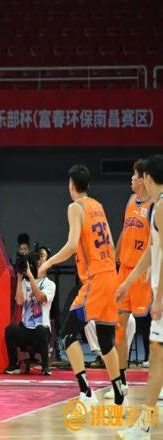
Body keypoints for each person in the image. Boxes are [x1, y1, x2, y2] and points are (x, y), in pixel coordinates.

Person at [39, 164, 125, 418]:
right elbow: (110, 243)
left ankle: (86, 393)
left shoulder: (75, 207)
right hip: (111, 277)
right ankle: (119, 394)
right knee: (106, 340)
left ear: (71, 185)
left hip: (95, 281)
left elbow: (71, 244)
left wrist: (48, 263)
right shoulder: (98, 206)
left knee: (67, 335)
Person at [117, 154, 163, 439]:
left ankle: (144, 425)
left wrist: (159, 298)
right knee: (157, 353)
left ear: (147, 177)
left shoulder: (161, 206)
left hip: (162, 294)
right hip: (151, 286)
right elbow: (151, 251)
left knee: (157, 353)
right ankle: (145, 424)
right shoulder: (155, 206)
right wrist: (127, 281)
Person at [104, 159, 153, 399]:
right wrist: (114, 257)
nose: (131, 180)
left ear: (143, 179)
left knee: (152, 330)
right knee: (119, 328)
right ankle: (120, 381)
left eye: (134, 176)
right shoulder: (131, 200)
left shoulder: (155, 205)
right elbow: (125, 230)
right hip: (125, 271)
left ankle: (157, 381)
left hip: (144, 274)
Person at [4, 251, 56, 376]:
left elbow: (41, 297)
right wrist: (20, 278)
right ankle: (14, 365)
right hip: (26, 329)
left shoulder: (49, 284)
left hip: (41, 331)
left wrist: (31, 276)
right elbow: (20, 301)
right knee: (10, 329)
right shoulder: (24, 283)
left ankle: (45, 366)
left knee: (41, 330)